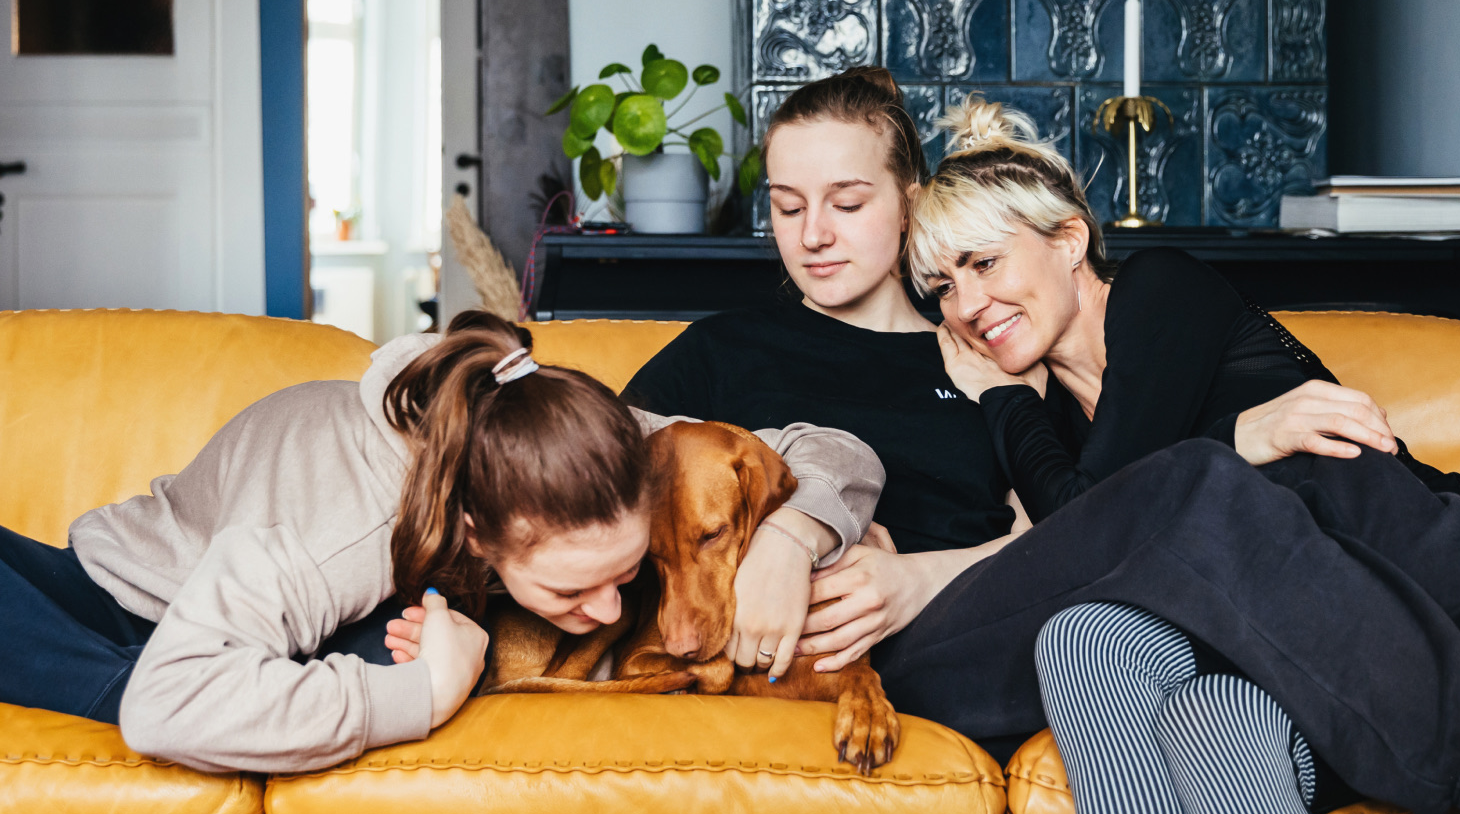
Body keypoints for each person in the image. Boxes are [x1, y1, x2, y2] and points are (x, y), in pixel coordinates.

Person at [625, 67, 1460, 814]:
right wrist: (785, 532)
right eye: (788, 204)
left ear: (909, 199)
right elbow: (587, 463)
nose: (813, 233)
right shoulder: (724, 351)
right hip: (898, 662)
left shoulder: (1008, 365)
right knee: (1198, 482)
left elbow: (1068, 532)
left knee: (1109, 634)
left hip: (1043, 611)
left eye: (846, 200)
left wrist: (914, 569)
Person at [906, 94, 1460, 814]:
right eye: (942, 286)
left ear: (1070, 239)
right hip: (1302, 633)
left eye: (983, 262)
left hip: (1438, 558)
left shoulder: (1157, 293)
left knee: (1307, 460)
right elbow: (1098, 527)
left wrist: (1013, 404)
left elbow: (1108, 505)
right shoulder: (1054, 424)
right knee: (1096, 643)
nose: (966, 305)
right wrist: (1231, 436)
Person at [0, 310, 883, 774]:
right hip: (131, 614)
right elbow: (167, 704)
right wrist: (420, 694)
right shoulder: (345, 529)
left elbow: (831, 449)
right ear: (479, 530)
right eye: (576, 590)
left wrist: (792, 539)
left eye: (625, 575)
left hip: (254, 614)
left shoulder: (571, 440)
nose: (611, 611)